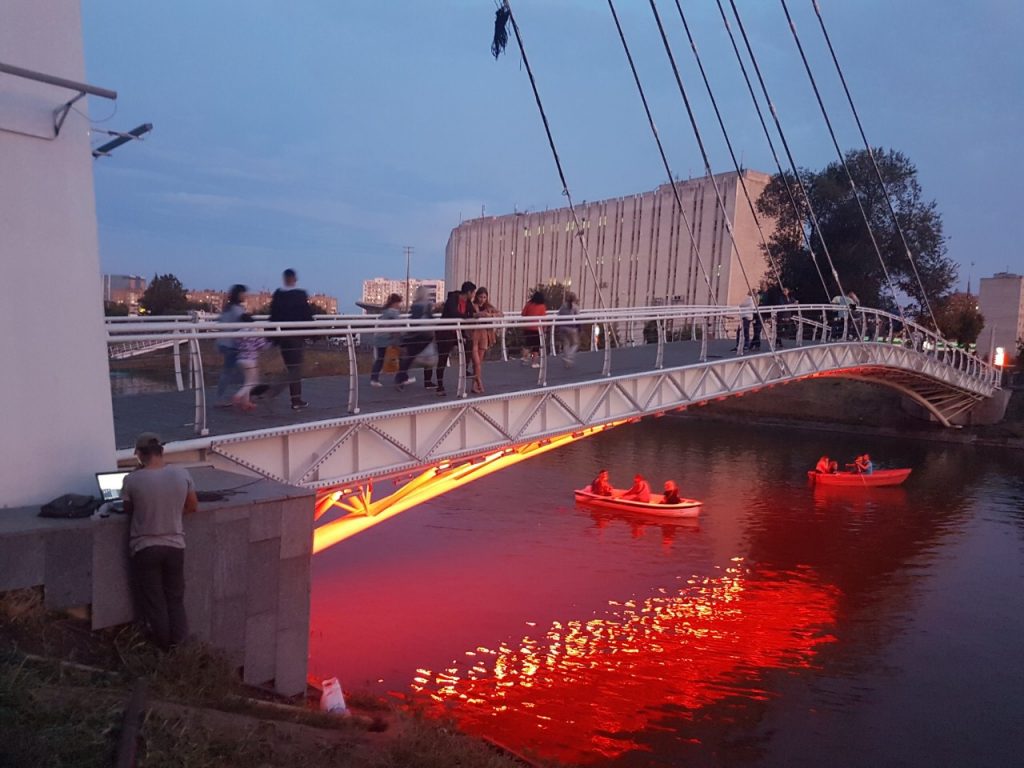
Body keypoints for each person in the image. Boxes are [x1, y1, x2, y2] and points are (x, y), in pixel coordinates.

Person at [120, 432, 199, 651]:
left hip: (145, 547)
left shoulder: (132, 479)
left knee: (155, 601)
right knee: (175, 599)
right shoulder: (181, 474)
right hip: (175, 547)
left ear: (140, 455)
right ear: (161, 452)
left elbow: (127, 508)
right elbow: (192, 506)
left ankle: (163, 649)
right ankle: (180, 647)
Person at [268, 268, 314, 410]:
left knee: (292, 367)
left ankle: (290, 397)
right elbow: (306, 314)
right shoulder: (299, 294)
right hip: (295, 336)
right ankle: (290, 398)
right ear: (294, 279)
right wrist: (314, 333)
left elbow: (273, 314)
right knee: (295, 368)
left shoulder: (278, 294)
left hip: (282, 336)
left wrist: (272, 336)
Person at [435, 281, 477, 397]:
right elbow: (454, 314)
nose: (474, 295)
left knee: (469, 343)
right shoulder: (452, 300)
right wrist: (470, 316)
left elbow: (472, 313)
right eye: (473, 293)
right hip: (445, 333)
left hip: (458, 333)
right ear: (468, 292)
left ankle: (465, 369)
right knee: (442, 358)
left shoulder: (468, 302)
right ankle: (440, 386)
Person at [395, 286, 435, 390]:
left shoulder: (414, 305)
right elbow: (430, 319)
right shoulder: (427, 305)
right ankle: (427, 381)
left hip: (413, 334)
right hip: (424, 336)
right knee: (427, 356)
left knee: (409, 357)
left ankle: (400, 379)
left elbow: (412, 318)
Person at [214, 284, 247, 408]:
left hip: (224, 343)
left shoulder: (228, 308)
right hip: (231, 345)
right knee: (233, 372)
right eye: (243, 293)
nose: (245, 296)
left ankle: (239, 396)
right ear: (238, 295)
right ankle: (222, 398)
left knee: (235, 372)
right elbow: (243, 323)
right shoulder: (237, 309)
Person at [233, 314, 270, 410]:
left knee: (247, 382)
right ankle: (238, 395)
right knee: (253, 383)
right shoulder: (254, 332)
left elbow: (236, 345)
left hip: (240, 359)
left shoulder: (238, 332)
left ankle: (246, 403)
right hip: (251, 361)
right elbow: (262, 346)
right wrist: (271, 342)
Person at [470, 287, 502, 395]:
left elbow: (501, 314)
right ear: (476, 296)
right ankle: (479, 382)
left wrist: (490, 315)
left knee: (479, 362)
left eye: (484, 297)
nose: (482, 299)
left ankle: (474, 385)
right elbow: (474, 315)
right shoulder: (473, 306)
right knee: (477, 362)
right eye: (480, 297)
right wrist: (481, 314)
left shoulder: (488, 307)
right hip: (474, 334)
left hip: (484, 334)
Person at [370, 293, 403, 388]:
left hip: (380, 337)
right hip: (387, 339)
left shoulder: (386, 311)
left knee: (380, 359)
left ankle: (374, 378)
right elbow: (396, 326)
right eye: (398, 303)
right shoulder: (393, 312)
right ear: (395, 303)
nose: (399, 305)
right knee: (402, 356)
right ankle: (401, 377)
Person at [521, 291, 547, 368]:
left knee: (527, 344)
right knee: (536, 347)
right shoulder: (542, 306)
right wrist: (544, 329)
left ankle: (525, 357)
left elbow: (523, 314)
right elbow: (544, 319)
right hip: (537, 329)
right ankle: (534, 362)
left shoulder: (528, 304)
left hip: (527, 327)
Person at [557, 292, 581, 367]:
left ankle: (566, 359)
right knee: (575, 343)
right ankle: (569, 356)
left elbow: (558, 315)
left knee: (566, 343)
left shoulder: (562, 306)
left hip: (562, 327)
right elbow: (578, 318)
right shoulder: (575, 307)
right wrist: (579, 328)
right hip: (571, 328)